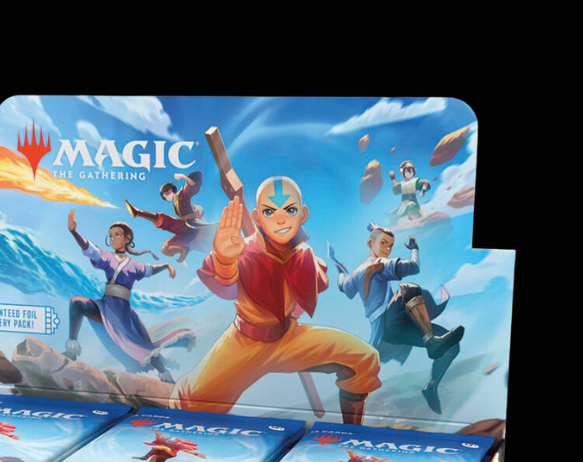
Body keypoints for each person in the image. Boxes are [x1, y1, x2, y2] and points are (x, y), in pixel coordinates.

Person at [171, 177, 381, 424]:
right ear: (257, 218)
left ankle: (351, 434)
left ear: (302, 214)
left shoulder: (304, 253)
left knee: (365, 358)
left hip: (289, 337)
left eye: (289, 210)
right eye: (269, 212)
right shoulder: (242, 249)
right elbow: (225, 287)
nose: (280, 220)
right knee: (189, 402)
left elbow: (314, 284)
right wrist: (224, 259)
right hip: (245, 341)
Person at [335, 223, 464, 413]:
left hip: (397, 329)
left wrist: (341, 272)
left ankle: (431, 387)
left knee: (452, 345)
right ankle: (431, 341)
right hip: (390, 323)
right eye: (383, 243)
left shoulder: (354, 274)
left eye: (390, 246)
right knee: (408, 289)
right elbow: (413, 267)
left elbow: (343, 286)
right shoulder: (379, 264)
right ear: (370, 243)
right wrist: (414, 249)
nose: (387, 249)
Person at [65, 209, 194, 383]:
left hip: (123, 313)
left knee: (141, 344)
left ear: (127, 239)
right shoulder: (107, 257)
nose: (112, 239)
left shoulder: (135, 265)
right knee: (77, 303)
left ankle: (164, 374)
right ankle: (72, 350)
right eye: (110, 236)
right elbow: (90, 249)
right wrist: (74, 232)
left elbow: (150, 269)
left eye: (117, 235)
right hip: (106, 306)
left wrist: (165, 266)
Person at [124, 171, 215, 264]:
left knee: (164, 220)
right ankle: (182, 250)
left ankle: (138, 212)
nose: (166, 198)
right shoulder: (175, 203)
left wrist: (183, 177)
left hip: (191, 226)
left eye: (165, 196)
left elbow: (192, 186)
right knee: (165, 248)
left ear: (170, 191)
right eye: (165, 197)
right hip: (187, 231)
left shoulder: (181, 195)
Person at [132, 432, 207, 462]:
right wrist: (158, 435)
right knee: (154, 460)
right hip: (161, 453)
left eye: (172, 442)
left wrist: (196, 454)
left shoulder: (178, 444)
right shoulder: (164, 441)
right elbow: (159, 439)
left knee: (163, 448)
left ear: (176, 442)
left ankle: (147, 460)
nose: (169, 442)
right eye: (168, 441)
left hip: (170, 453)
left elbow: (186, 450)